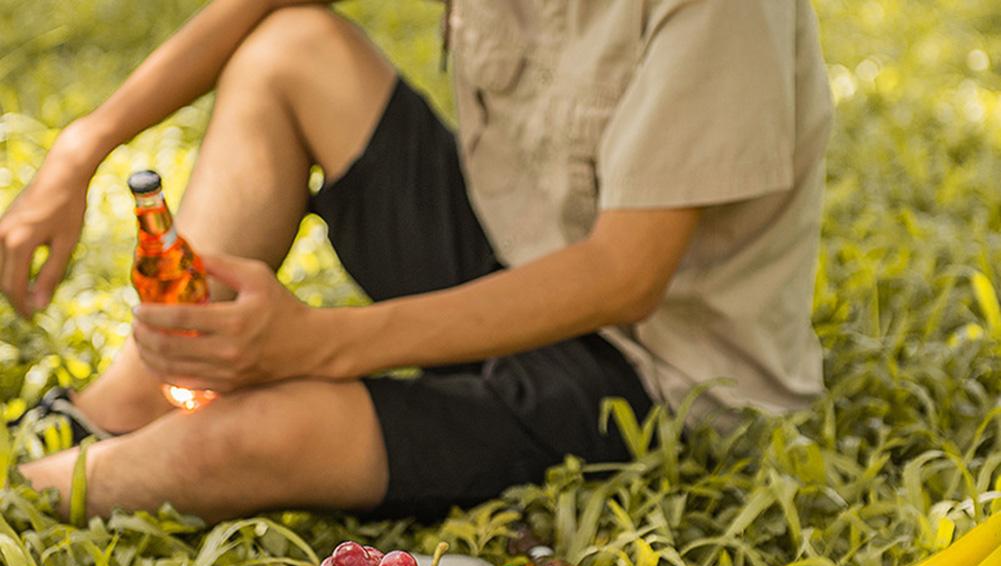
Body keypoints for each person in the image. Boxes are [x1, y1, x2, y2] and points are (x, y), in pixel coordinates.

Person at [2, 0, 832, 524]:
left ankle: (25, 492)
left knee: (242, 440)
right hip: (504, 255)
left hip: (646, 375)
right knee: (296, 47)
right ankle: (115, 406)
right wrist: (83, 147)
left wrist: (314, 343)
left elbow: (624, 274)